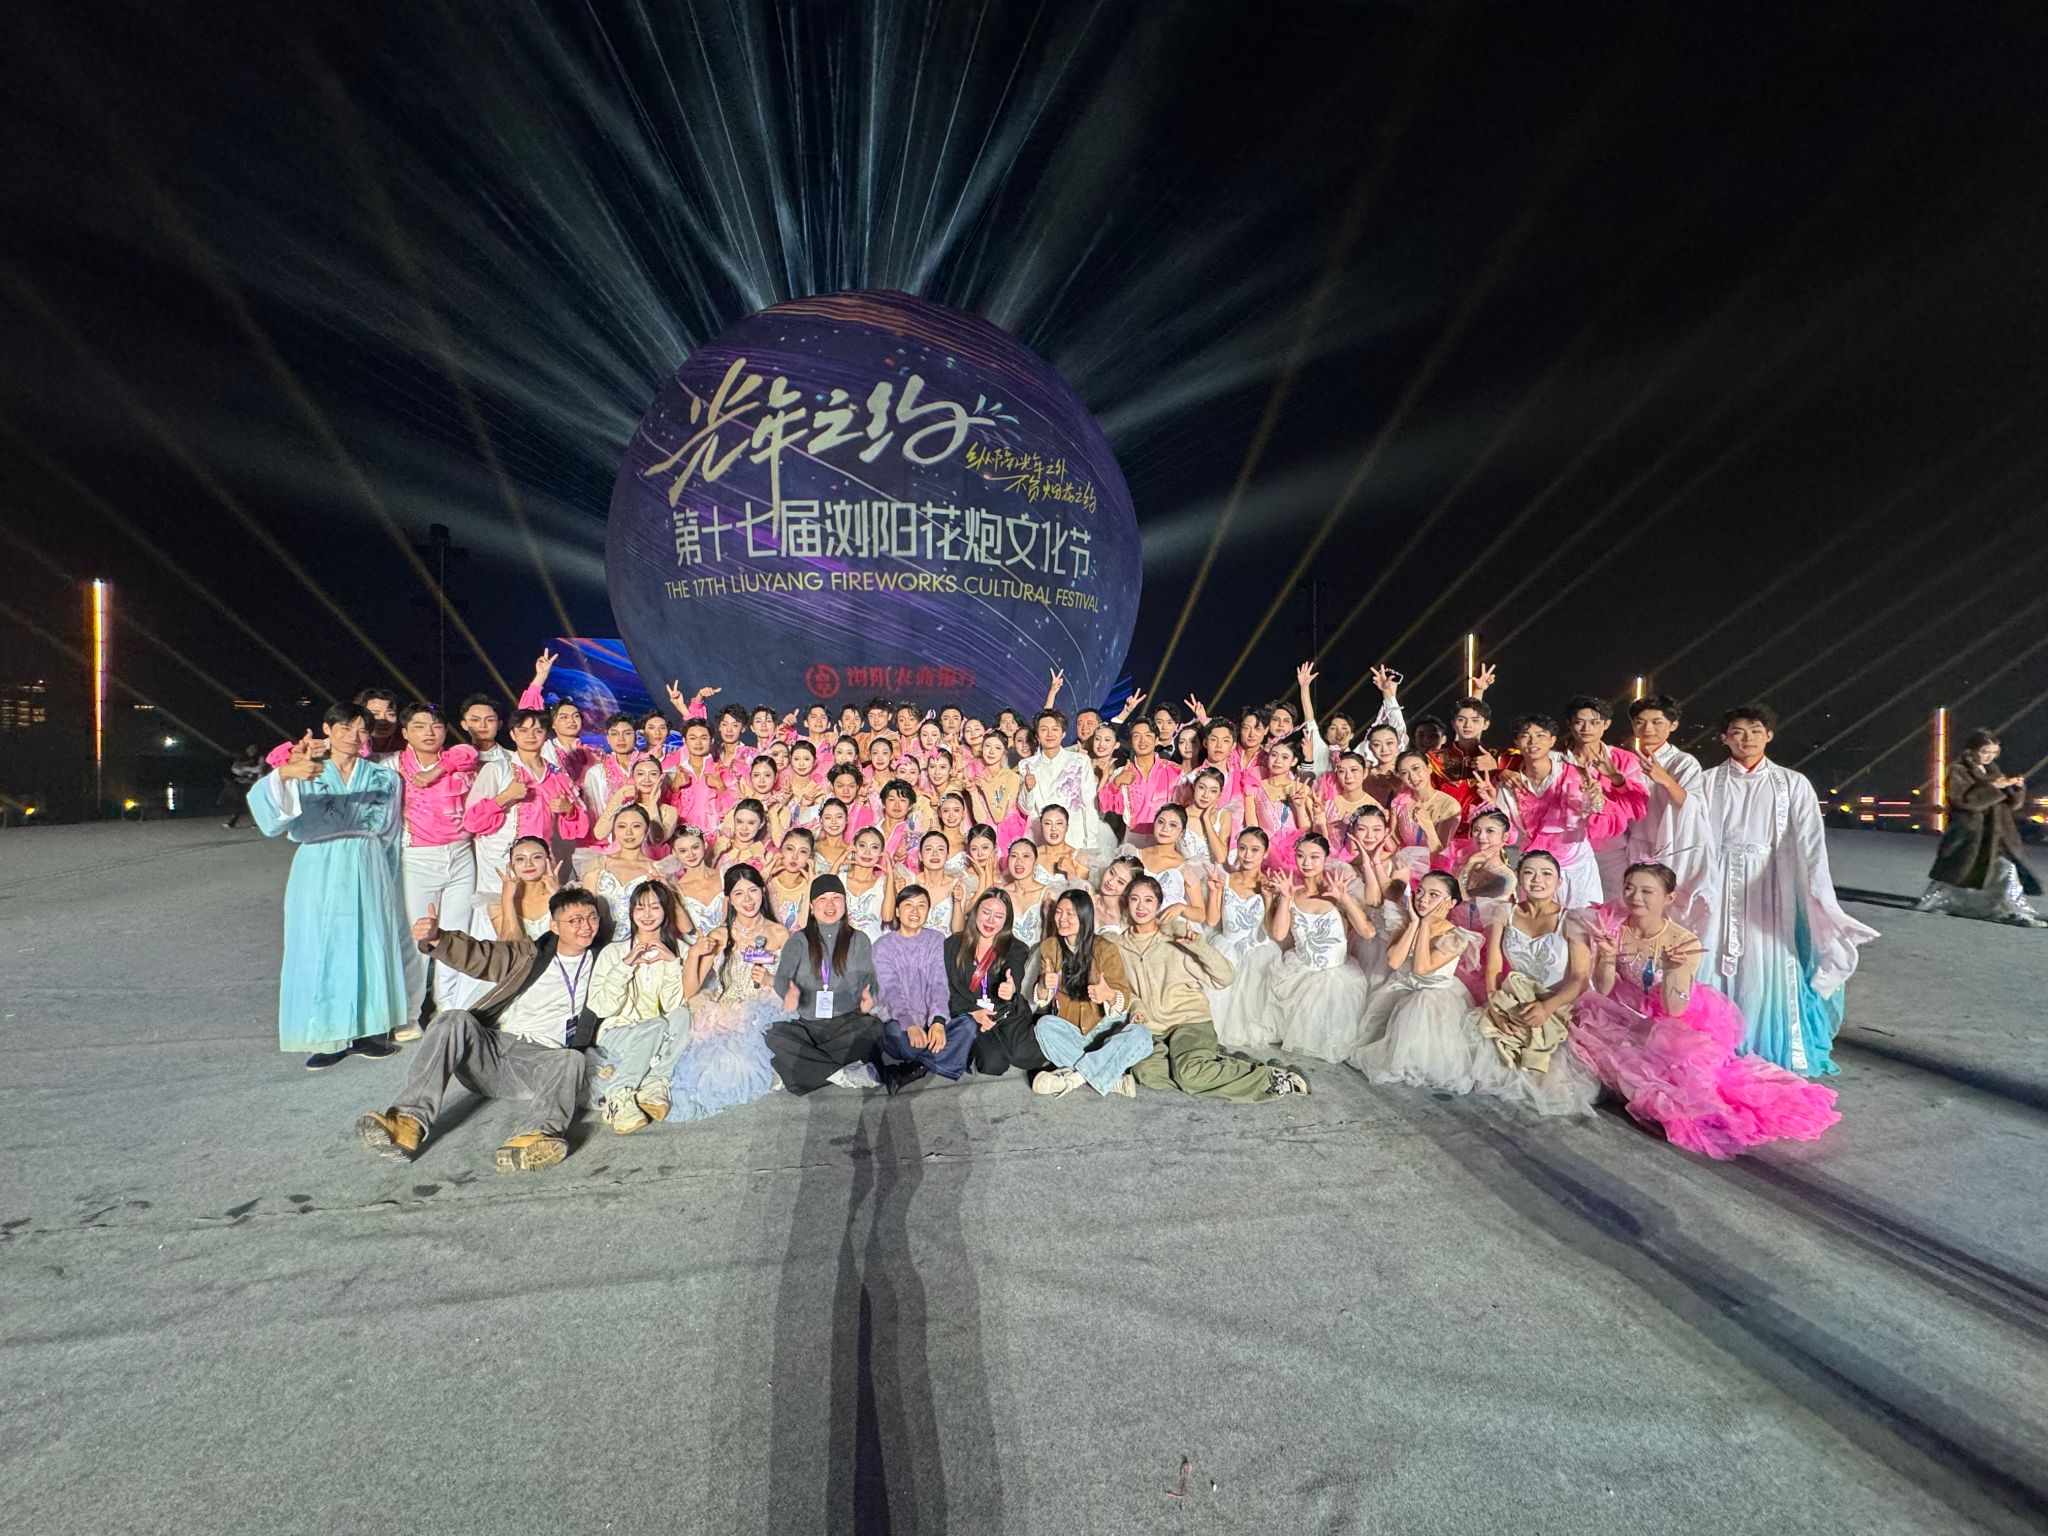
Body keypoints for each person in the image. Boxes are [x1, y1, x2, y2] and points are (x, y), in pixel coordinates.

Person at [1573, 862, 1840, 1157]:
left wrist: (1672, 971)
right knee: (1592, 1045)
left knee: (1681, 1087)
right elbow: (1603, 988)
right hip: (1624, 1010)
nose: (1635, 897)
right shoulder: (1616, 928)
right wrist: (1608, 956)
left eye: (1647, 891)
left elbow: (1674, 1008)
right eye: (1629, 888)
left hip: (1671, 1018)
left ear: (1668, 898)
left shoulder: (1683, 942)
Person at [356, 888, 604, 1172]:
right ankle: (407, 1123)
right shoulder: (529, 954)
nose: (586, 926)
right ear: (554, 925)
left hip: (539, 1064)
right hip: (491, 1052)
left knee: (572, 1058)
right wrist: (438, 938)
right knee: (454, 1018)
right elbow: (482, 955)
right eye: (574, 920)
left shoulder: (604, 960)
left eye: (592, 917)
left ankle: (537, 1137)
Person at [1698, 705, 1878, 1076]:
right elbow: (1692, 836)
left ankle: (1767, 1042)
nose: (1746, 738)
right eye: (1737, 731)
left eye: (1755, 730)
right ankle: (1713, 1044)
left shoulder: (1792, 783)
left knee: (1771, 957)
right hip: (1718, 878)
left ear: (1769, 735)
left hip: (1771, 883)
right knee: (1712, 956)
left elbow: (1811, 843)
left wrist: (1818, 893)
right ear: (1724, 738)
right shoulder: (1706, 782)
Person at [248, 709, 409, 1068]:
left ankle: (368, 1030)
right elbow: (272, 822)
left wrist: (386, 873)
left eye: (361, 730)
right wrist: (286, 773)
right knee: (321, 943)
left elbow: (390, 831)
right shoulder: (307, 770)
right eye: (344, 728)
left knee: (369, 941)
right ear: (327, 729)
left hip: (367, 860)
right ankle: (328, 1034)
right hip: (319, 862)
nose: (353, 736)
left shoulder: (385, 778)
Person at [1117, 875, 1307, 1099]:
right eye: (1134, 899)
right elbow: (1126, 989)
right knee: (1147, 1074)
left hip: (1189, 1021)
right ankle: (1216, 1063)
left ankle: (1270, 1078)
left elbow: (1225, 977)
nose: (1141, 906)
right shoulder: (1120, 945)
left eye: (1148, 900)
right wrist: (1137, 1008)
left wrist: (1199, 947)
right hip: (1155, 1029)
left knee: (1189, 1076)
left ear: (1158, 904)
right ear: (1127, 902)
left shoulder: (1176, 934)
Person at [1474, 851, 1599, 1117]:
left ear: (1559, 882)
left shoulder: (1573, 920)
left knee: (1549, 1079)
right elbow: (1494, 965)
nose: (1537, 880)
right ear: (1519, 879)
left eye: (1546, 874)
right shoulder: (1504, 913)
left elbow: (1580, 978)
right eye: (1529, 873)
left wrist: (1547, 1007)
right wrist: (1496, 1007)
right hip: (1512, 999)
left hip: (1557, 1003)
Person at [1350, 872, 1490, 1094]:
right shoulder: (1404, 922)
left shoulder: (1457, 937)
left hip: (1432, 997)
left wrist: (1425, 925)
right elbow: (1395, 961)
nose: (1423, 899)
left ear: (1450, 903)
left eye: (1434, 895)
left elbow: (1422, 967)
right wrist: (1414, 924)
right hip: (1402, 988)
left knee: (1420, 1007)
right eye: (1421, 892)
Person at [668, 864, 788, 1120]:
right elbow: (690, 991)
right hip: (726, 1009)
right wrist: (694, 954)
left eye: (752, 891)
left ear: (762, 892)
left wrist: (770, 979)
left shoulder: (778, 933)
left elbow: (792, 982)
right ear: (729, 899)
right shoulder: (721, 935)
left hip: (765, 1008)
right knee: (710, 1066)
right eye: (739, 894)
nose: (748, 900)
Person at [1256, 834, 1377, 1062]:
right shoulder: (1293, 893)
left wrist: (1344, 898)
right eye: (1301, 856)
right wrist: (1285, 898)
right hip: (1299, 975)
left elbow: (1368, 932)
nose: (1307, 863)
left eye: (1314, 857)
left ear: (1325, 858)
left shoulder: (1337, 891)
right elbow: (1279, 934)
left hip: (1336, 980)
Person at [764, 875, 889, 1093]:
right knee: (772, 1034)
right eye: (822, 899)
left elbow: (869, 979)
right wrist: (788, 993)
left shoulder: (859, 939)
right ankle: (840, 1074)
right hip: (808, 1024)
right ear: (812, 907)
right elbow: (782, 978)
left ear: (844, 904)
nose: (830, 904)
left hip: (847, 1022)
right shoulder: (798, 940)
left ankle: (797, 1070)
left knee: (874, 1029)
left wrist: (869, 996)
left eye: (836, 898)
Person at [587, 881, 691, 1133]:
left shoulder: (680, 950)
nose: (647, 914)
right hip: (618, 1032)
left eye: (654, 907)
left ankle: (655, 1083)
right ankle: (618, 1097)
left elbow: (672, 1004)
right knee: (654, 1025)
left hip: (659, 1032)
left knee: (683, 1015)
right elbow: (601, 1008)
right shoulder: (613, 952)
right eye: (640, 907)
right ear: (632, 911)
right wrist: (625, 966)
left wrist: (671, 963)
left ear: (666, 910)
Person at [1917, 729, 2045, 926]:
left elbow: (2011, 805)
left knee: (2004, 870)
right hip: (1970, 835)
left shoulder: (1994, 772)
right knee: (1957, 875)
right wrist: (1993, 788)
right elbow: (1964, 802)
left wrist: (2016, 789)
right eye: (1985, 751)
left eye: (1994, 752)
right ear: (1971, 750)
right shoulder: (1958, 771)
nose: (1989, 756)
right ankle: (1954, 904)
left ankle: (2011, 908)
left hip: (1996, 835)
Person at [1030, 889, 1149, 1098]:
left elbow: (1124, 998)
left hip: (1104, 1029)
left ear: (1084, 917)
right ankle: (1111, 1079)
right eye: (1059, 912)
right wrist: (1043, 984)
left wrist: (1109, 995)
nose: (1062, 919)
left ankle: (1074, 1079)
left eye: (1070, 914)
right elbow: (1042, 999)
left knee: (1142, 1036)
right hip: (1071, 1030)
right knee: (1043, 1026)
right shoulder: (1050, 947)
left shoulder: (1106, 948)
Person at [1623, 695, 1716, 937]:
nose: (1648, 729)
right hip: (1636, 844)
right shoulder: (1627, 761)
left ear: (1672, 725)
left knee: (1672, 910)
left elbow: (1691, 804)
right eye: (1640, 722)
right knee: (1637, 908)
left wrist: (1664, 779)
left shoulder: (1683, 762)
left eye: (1657, 722)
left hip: (1672, 847)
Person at [1496, 713, 1603, 909]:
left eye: (1541, 735)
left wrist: (1594, 796)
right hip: (1535, 867)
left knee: (1583, 921)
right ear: (1516, 742)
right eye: (1525, 736)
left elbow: (1593, 811)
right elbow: (1508, 833)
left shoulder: (1574, 774)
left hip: (1576, 864)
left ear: (1552, 740)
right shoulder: (1509, 785)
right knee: (1536, 920)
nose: (1533, 742)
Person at [873, 884, 969, 1088]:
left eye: (921, 905)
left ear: (928, 911)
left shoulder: (936, 939)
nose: (915, 911)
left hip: (930, 1019)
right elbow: (890, 991)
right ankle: (951, 1054)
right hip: (899, 1021)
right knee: (901, 1040)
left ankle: (913, 1070)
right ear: (897, 911)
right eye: (908, 905)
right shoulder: (883, 946)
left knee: (968, 1025)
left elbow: (939, 983)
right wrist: (910, 1025)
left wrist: (938, 1022)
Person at [947, 889, 1046, 1079]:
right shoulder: (953, 944)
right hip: (973, 1014)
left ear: (1006, 920)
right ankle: (968, 1047)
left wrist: (1011, 986)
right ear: (976, 912)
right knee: (993, 1064)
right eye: (986, 912)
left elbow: (1015, 970)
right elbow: (947, 988)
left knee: (1028, 1056)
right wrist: (973, 1012)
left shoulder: (1016, 947)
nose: (991, 921)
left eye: (999, 916)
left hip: (1005, 1013)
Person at [1202, 829, 1281, 1052]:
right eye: (1243, 848)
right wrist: (1215, 891)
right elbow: (1212, 919)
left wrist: (1269, 898)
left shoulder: (1270, 884)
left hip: (1257, 954)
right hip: (1226, 948)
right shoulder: (1226, 878)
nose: (1247, 855)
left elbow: (1272, 930)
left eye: (1255, 850)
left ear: (1265, 853)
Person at [1566, 695, 1650, 897]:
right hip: (1568, 848)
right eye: (1579, 722)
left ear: (1606, 724)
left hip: (1609, 849)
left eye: (1594, 722)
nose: (1586, 728)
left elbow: (1638, 806)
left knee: (1616, 903)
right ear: (1569, 724)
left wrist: (1616, 779)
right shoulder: (1556, 760)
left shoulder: (1624, 759)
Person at [1019, 706, 1115, 864]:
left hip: (1075, 838)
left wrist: (1090, 844)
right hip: (1041, 840)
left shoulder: (1079, 761)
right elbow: (1026, 809)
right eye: (1044, 729)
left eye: (1055, 729)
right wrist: (1027, 790)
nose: (1050, 734)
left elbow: (1089, 804)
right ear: (1037, 735)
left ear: (1063, 733)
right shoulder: (1027, 765)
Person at [220, 744, 263, 829]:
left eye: (252, 749)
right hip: (252, 783)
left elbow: (260, 769)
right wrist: (245, 773)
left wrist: (246, 770)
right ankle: (232, 821)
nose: (249, 751)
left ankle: (260, 821)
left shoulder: (261, 758)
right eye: (249, 749)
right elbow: (239, 769)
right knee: (241, 800)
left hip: (262, 784)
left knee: (255, 802)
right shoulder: (250, 759)